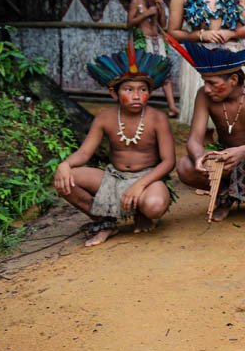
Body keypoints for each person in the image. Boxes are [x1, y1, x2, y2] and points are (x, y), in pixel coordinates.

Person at [54, 42, 175, 246]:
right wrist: (65, 165)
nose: (136, 96)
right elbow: (84, 154)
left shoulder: (157, 118)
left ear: (150, 92)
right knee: (66, 181)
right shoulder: (104, 118)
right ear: (114, 93)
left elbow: (168, 161)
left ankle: (142, 214)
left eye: (142, 89)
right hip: (113, 177)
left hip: (148, 179)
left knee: (154, 205)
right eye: (128, 89)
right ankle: (105, 222)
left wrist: (139, 185)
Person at [171, 41, 245, 224]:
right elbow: (194, 140)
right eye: (205, 82)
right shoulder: (204, 95)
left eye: (212, 83)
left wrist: (241, 152)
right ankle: (225, 196)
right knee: (185, 167)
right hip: (224, 157)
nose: (207, 89)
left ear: (233, 80)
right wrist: (199, 159)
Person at [125, 0, 177, 116]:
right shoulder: (136, 2)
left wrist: (161, 7)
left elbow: (163, 24)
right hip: (143, 43)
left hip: (158, 42)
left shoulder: (156, 1)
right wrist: (146, 14)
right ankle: (140, 105)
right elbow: (128, 24)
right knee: (144, 76)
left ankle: (172, 107)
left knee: (165, 76)